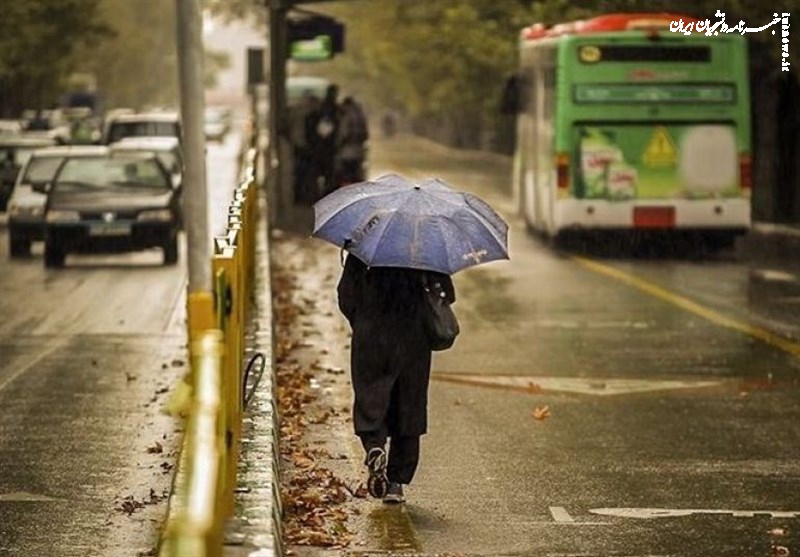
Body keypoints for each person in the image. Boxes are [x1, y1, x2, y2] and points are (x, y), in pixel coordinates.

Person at [337, 251, 455, 504]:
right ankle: (395, 483)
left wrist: (363, 321)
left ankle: (374, 446)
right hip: (413, 338)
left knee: (371, 396)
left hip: (371, 334)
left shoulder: (364, 249)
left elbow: (346, 296)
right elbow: (446, 294)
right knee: (408, 406)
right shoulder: (427, 249)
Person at [307, 84, 340, 198]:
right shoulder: (334, 109)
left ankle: (320, 193)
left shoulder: (322, 108)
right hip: (327, 147)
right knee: (327, 172)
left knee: (320, 172)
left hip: (320, 146)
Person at [335, 97, 369, 187]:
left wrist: (337, 144)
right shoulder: (360, 116)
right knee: (356, 175)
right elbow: (365, 135)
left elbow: (343, 133)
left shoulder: (345, 115)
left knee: (346, 175)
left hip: (346, 152)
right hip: (359, 151)